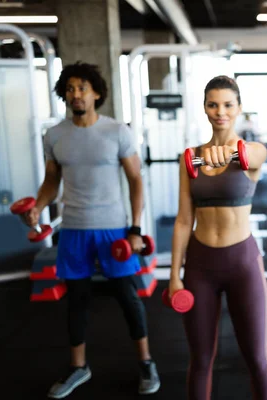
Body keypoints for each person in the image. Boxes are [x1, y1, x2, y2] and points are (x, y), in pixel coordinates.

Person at [22, 62, 160, 398]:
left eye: (82, 87)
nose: (76, 94)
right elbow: (51, 181)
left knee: (128, 296)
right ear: (63, 94)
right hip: (74, 229)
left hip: (113, 230)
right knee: (77, 301)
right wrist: (39, 206)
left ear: (96, 93)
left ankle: (145, 362)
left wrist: (135, 227)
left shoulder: (117, 132)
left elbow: (136, 180)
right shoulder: (54, 135)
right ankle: (78, 367)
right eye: (70, 88)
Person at [168, 75, 267, 400]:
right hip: (200, 265)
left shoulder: (251, 152)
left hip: (243, 263)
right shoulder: (190, 158)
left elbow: (254, 154)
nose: (220, 111)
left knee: (256, 358)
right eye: (213, 104)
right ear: (204, 108)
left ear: (239, 108)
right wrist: (174, 276)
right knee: (200, 359)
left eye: (228, 104)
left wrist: (230, 151)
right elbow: (184, 219)